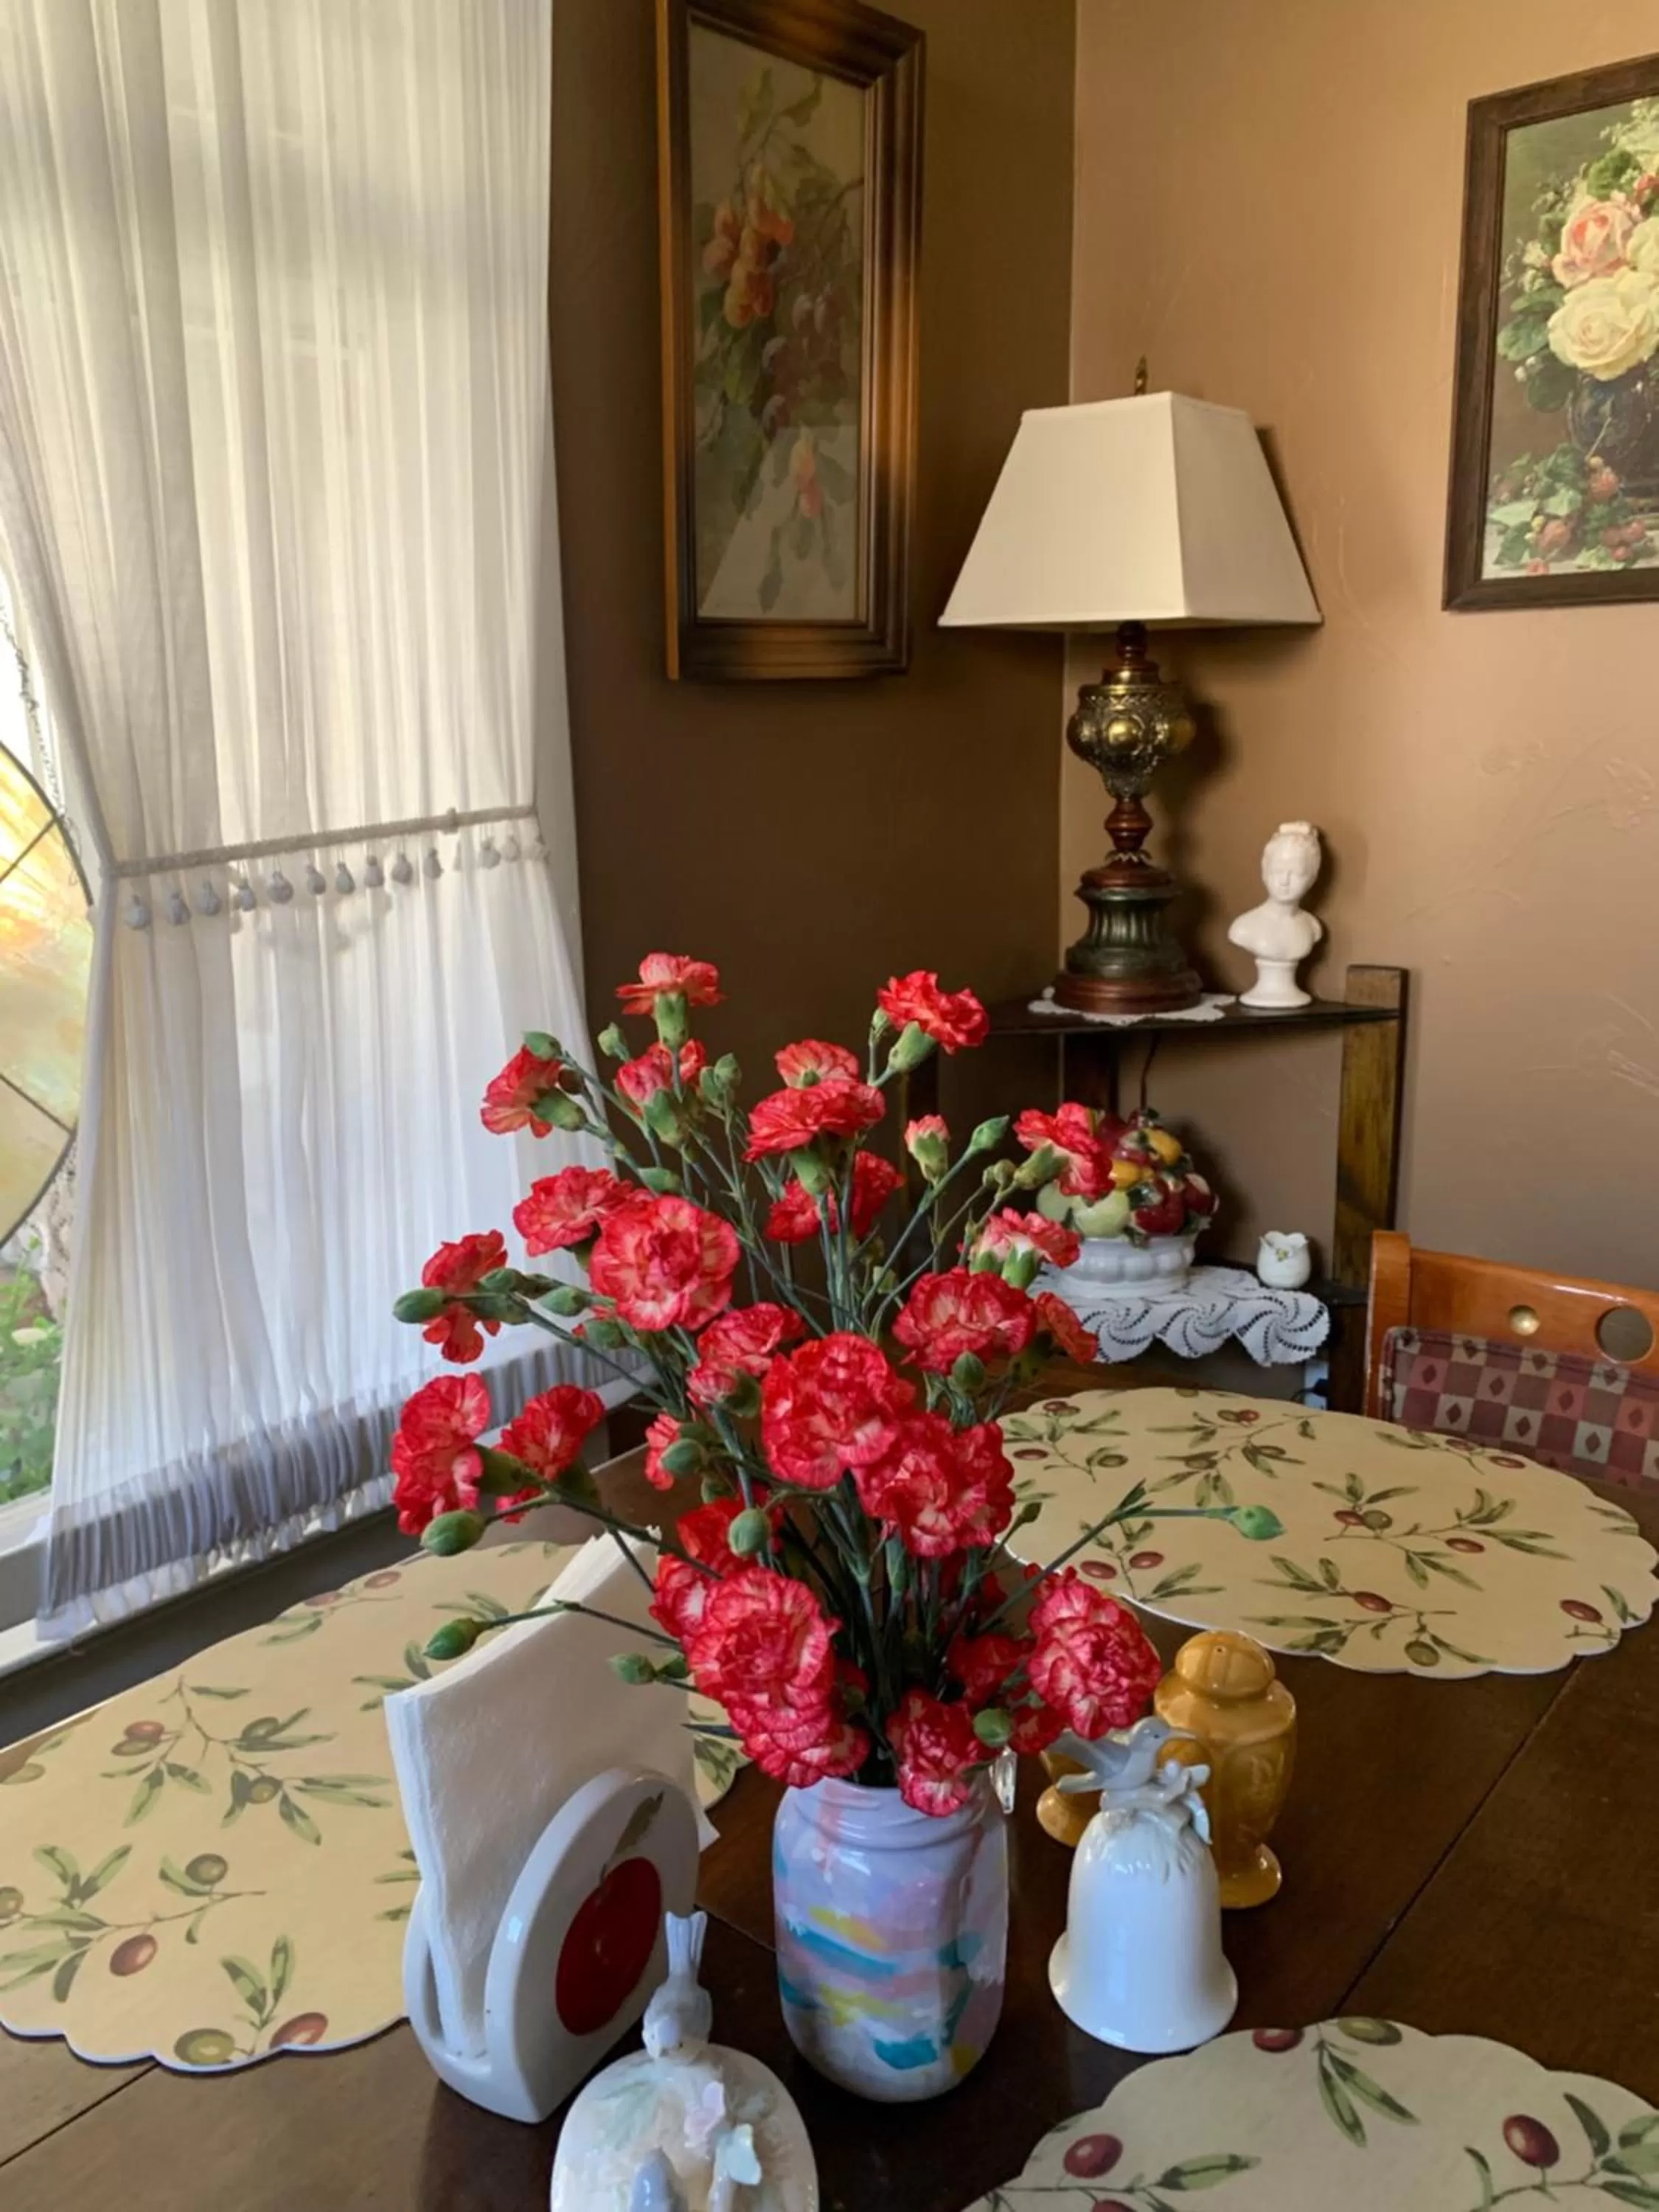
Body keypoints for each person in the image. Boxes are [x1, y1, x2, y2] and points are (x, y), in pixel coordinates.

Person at [1227, 822, 1324, 1009]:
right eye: (1278, 871)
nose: (1284, 881)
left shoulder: (1313, 927)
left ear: (1311, 878)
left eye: (1296, 873)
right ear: (1265, 872)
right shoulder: (1244, 927)